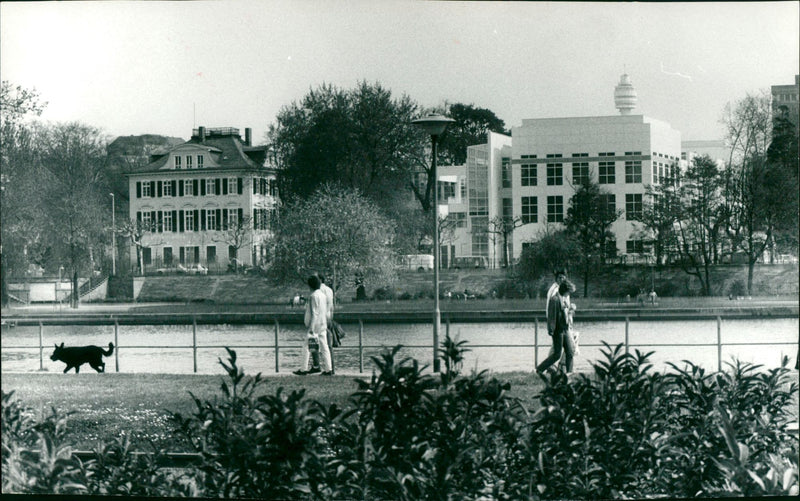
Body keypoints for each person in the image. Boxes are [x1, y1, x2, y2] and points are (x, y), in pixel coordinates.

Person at [293, 275, 333, 376]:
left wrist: (311, 327)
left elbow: (314, 313)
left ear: (310, 285)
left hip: (315, 326)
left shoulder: (313, 296)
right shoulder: (323, 295)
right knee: (325, 347)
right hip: (322, 324)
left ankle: (303, 369)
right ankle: (329, 369)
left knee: (306, 347)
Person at [537, 279, 575, 378]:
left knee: (570, 351)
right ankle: (540, 369)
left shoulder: (563, 299)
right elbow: (552, 315)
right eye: (569, 292)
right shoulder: (555, 299)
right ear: (565, 290)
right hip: (558, 330)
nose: (569, 294)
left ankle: (569, 373)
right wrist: (551, 329)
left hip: (565, 328)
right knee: (557, 354)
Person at [319, 273, 336, 375]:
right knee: (328, 344)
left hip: (321, 319)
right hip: (329, 317)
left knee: (319, 344)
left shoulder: (319, 291)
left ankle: (318, 366)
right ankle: (330, 367)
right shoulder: (329, 290)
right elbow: (331, 306)